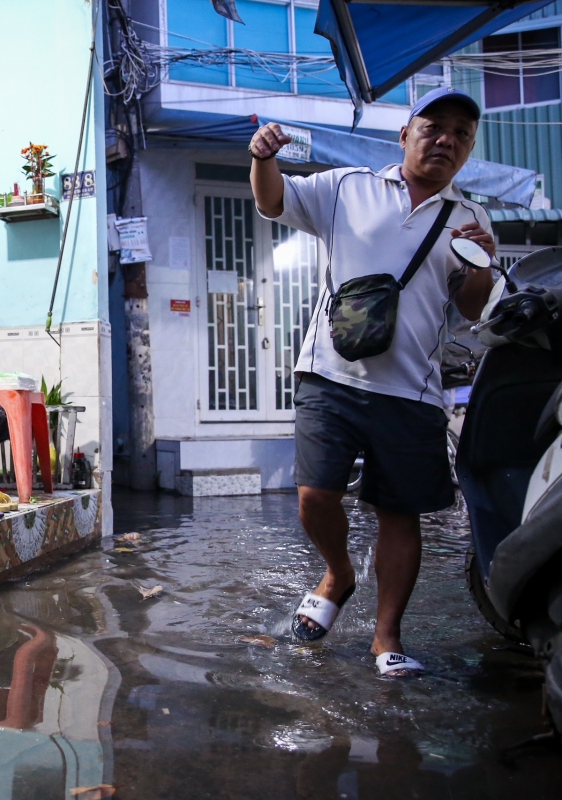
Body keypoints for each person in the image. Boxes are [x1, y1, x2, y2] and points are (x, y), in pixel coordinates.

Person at [248, 87, 496, 677]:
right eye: (435, 126)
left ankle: (387, 638)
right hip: (329, 374)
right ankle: (338, 573)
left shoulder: (469, 220)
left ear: (467, 150)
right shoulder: (346, 187)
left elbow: (471, 307)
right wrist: (262, 158)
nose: (447, 140)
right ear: (404, 134)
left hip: (412, 392)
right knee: (314, 495)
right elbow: (275, 199)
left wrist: (482, 265)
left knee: (399, 514)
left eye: (461, 134)